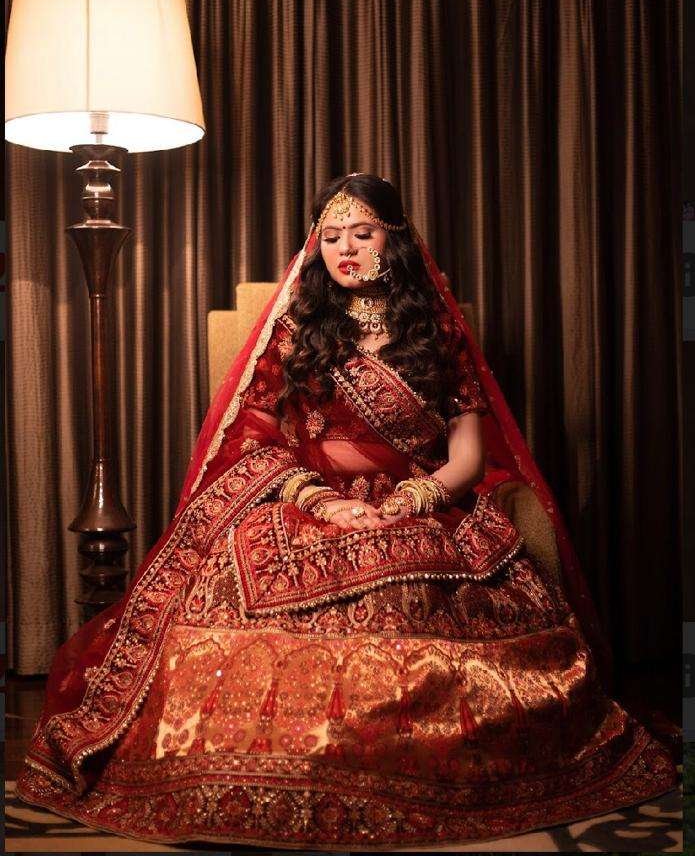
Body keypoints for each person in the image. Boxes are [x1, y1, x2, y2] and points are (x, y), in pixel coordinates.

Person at [16, 173, 677, 847]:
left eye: (362, 233)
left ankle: (400, 770)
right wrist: (322, 501)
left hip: (421, 504)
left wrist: (412, 498)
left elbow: (469, 459)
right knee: (228, 595)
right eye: (331, 236)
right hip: (303, 500)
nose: (345, 249)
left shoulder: (435, 335)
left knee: (407, 600)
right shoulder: (297, 331)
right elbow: (256, 441)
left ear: (395, 240)